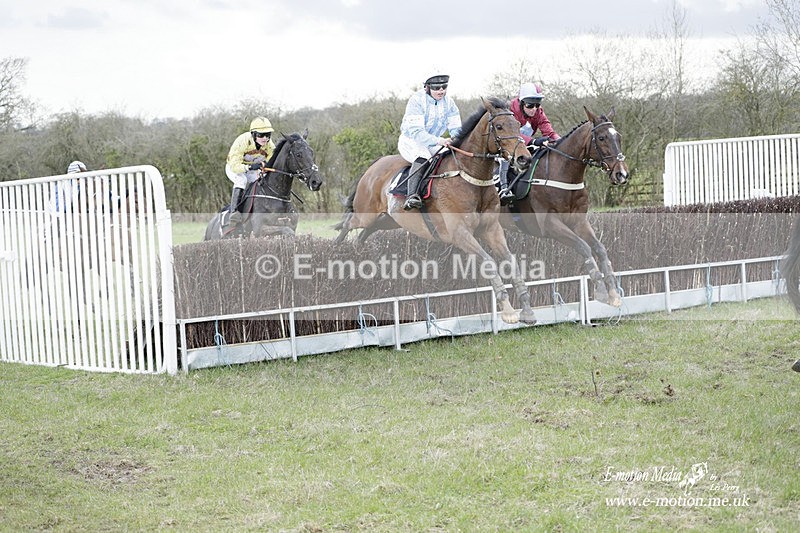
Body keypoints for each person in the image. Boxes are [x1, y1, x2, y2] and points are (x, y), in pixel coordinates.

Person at [398, 72, 462, 210]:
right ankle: (411, 196)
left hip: (434, 142)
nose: (441, 91)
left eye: (444, 87)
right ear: (427, 87)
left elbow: (456, 128)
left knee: (450, 156)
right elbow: (417, 133)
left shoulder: (449, 103)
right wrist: (440, 141)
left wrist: (456, 140)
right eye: (436, 88)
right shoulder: (416, 101)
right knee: (424, 156)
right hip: (411, 140)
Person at [496, 82, 561, 203]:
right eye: (530, 105)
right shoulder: (509, 110)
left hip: (522, 146)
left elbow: (549, 131)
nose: (534, 109)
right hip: (505, 145)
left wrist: (561, 142)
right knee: (504, 160)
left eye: (537, 105)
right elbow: (511, 134)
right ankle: (503, 188)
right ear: (521, 103)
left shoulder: (538, 112)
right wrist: (534, 141)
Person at [225, 116, 276, 225]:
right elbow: (235, 166)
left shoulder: (270, 145)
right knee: (241, 180)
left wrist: (265, 165)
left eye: (268, 135)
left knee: (260, 183)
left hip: (252, 169)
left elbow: (271, 160)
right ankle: (234, 212)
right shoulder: (242, 141)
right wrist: (250, 167)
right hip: (234, 168)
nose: (265, 138)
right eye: (261, 135)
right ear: (253, 134)